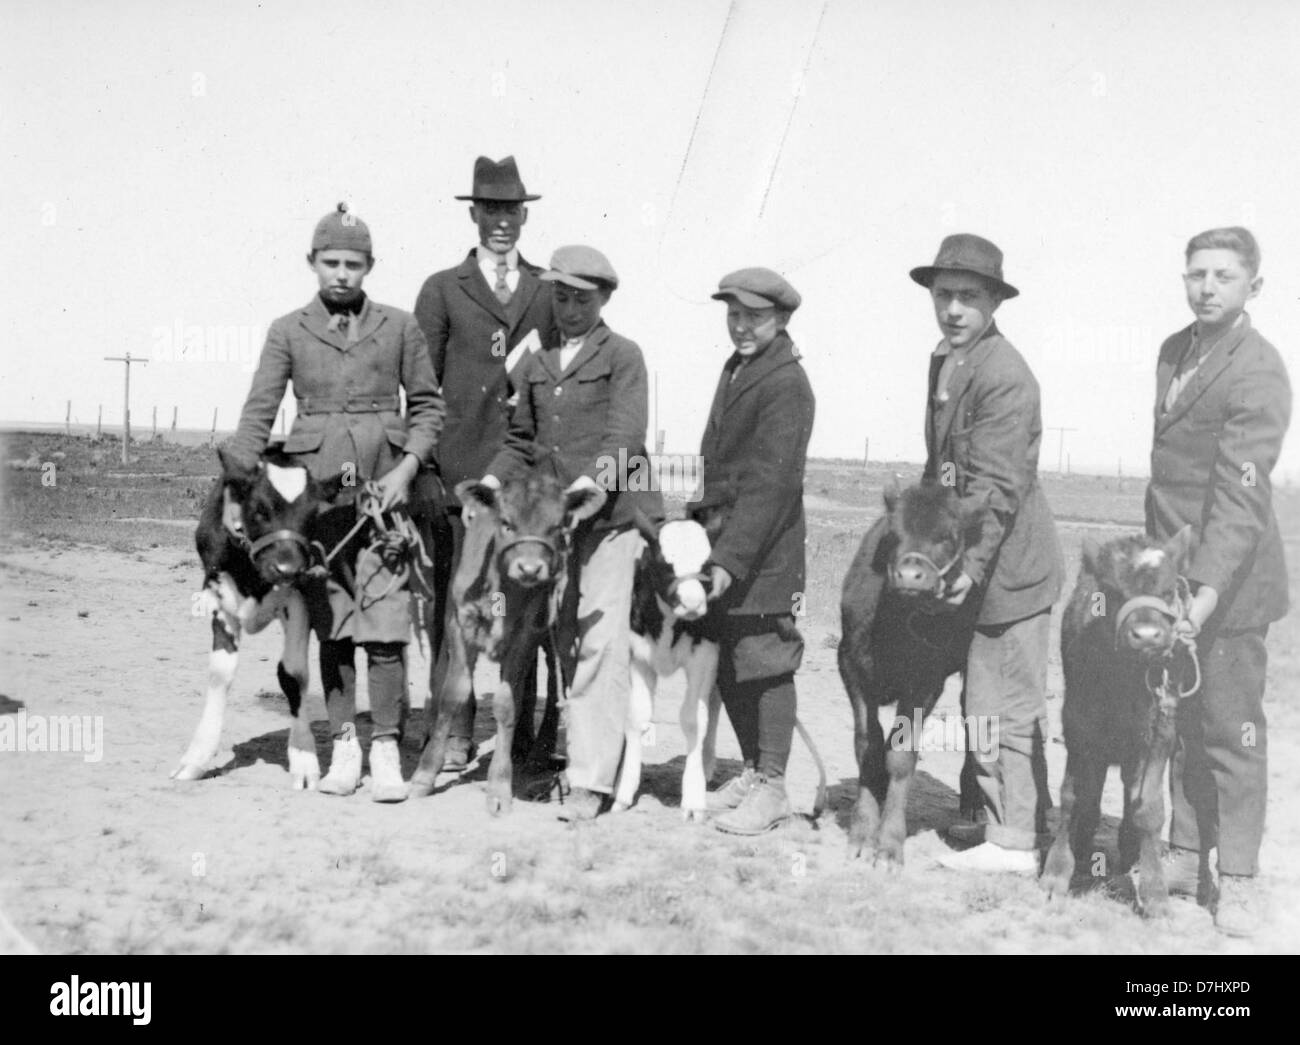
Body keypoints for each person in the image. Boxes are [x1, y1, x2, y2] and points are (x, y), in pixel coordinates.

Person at [227, 203, 444, 802]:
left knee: (387, 623)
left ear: (370, 266)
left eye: (353, 263)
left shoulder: (401, 327)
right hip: (317, 507)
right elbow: (257, 415)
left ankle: (387, 747)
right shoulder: (287, 331)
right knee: (335, 624)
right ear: (313, 264)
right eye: (331, 263)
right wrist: (236, 479)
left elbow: (428, 409)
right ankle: (345, 742)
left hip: (384, 499)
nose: (342, 274)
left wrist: (405, 469)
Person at [482, 245, 663, 820]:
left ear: (604, 298)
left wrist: (587, 490)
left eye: (581, 299)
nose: (569, 308)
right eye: (560, 296)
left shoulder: (624, 356)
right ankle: (561, 754)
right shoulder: (537, 364)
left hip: (610, 519)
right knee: (560, 635)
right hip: (555, 527)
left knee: (597, 639)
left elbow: (626, 438)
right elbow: (520, 443)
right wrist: (491, 481)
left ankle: (589, 780)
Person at [1148, 226, 1290, 937]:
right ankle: (1180, 851)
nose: (1206, 286)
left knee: (1232, 731)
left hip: (1229, 588)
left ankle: (1236, 878)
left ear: (1252, 288)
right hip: (1172, 575)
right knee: (1180, 720)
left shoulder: (1259, 370)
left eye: (1224, 276)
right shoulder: (1174, 351)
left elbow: (1239, 501)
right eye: (1196, 273)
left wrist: (1201, 599)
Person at [905, 234, 1063, 873]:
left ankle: (1014, 842)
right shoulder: (946, 361)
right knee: (983, 703)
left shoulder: (1004, 376)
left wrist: (966, 570)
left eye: (969, 297)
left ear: (995, 301)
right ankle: (1006, 821)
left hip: (1009, 571)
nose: (953, 309)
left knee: (1005, 706)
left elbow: (994, 491)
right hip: (972, 562)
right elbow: (940, 471)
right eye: (944, 294)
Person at [413, 156, 556, 771]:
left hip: (525, 488)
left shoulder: (551, 290)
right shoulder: (442, 289)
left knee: (527, 609)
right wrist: (428, 471)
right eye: (491, 210)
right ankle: (451, 734)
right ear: (474, 214)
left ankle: (524, 737)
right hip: (463, 482)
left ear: (524, 215)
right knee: (457, 603)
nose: (502, 222)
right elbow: (420, 388)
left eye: (512, 210)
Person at [692, 267, 815, 835]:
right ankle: (751, 769)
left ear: (782, 319)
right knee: (731, 665)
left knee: (765, 662)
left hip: (763, 554)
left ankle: (773, 786)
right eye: (733, 314)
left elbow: (771, 485)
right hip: (724, 544)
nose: (740, 326)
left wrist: (727, 560)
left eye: (754, 316)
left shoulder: (787, 384)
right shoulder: (738, 368)